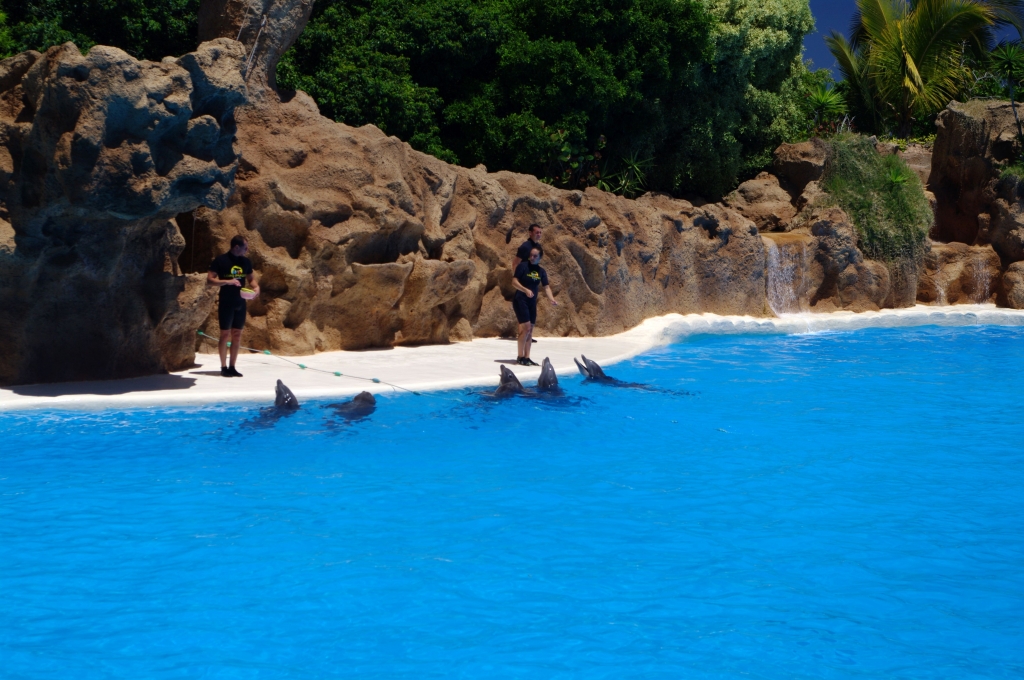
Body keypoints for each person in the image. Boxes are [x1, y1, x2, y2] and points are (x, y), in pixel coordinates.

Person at [207, 235, 260, 377]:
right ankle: (223, 367)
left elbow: (251, 279)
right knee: (225, 334)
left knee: (237, 334)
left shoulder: (245, 261)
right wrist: (227, 281)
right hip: (226, 302)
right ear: (236, 247)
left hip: (240, 303)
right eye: (245, 247)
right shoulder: (221, 260)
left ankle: (232, 367)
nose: (247, 250)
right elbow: (210, 280)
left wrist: (256, 288)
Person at [511, 247, 557, 366]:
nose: (532, 257)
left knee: (530, 330)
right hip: (520, 300)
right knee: (526, 328)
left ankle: (527, 357)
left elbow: (546, 287)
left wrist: (551, 299)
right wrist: (525, 290)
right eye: (531, 255)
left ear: (540, 257)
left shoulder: (541, 271)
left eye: (535, 256)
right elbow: (514, 282)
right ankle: (520, 356)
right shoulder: (522, 266)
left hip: (532, 303)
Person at [512, 224, 544, 343]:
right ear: (530, 233)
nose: (539, 234)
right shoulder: (525, 247)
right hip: (523, 282)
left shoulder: (538, 247)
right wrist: (517, 278)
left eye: (540, 232)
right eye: (537, 232)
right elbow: (515, 263)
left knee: (530, 307)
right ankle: (522, 334)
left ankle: (528, 334)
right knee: (522, 307)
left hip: (532, 281)